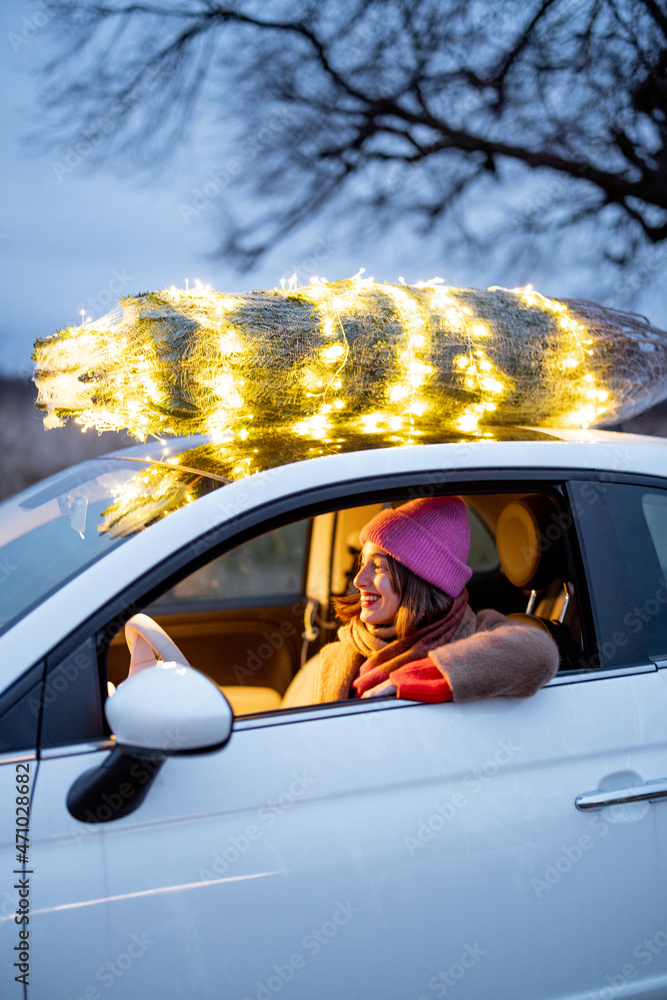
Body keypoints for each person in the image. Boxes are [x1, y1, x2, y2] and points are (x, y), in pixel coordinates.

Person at [281, 496, 559, 708]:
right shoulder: (339, 656)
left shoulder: (471, 633)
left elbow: (540, 654)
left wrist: (413, 679)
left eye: (377, 567)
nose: (358, 580)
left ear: (420, 580)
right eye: (362, 563)